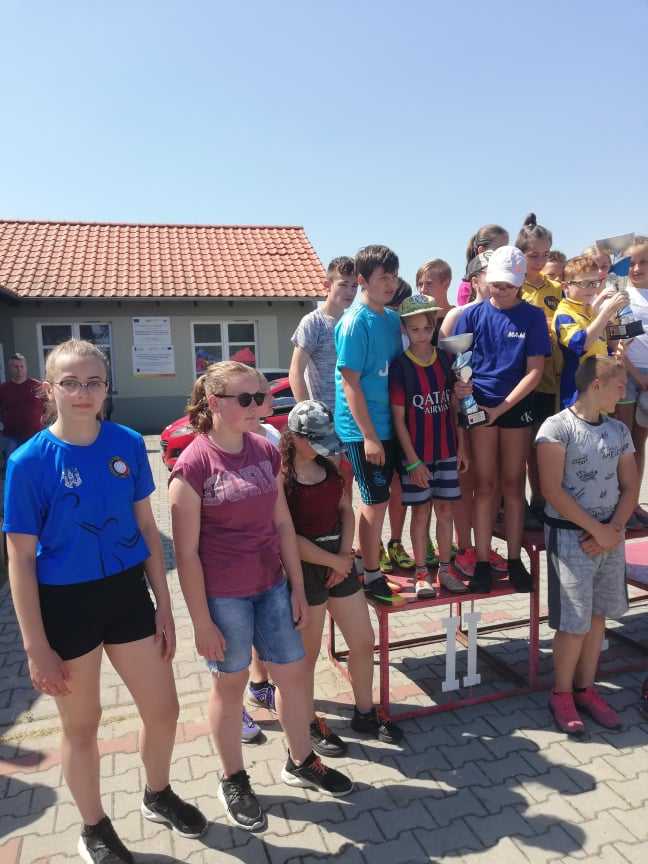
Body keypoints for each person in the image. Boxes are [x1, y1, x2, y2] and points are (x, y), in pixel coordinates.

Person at [3, 339, 206, 864]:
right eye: (70, 382)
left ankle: (157, 793)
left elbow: (147, 527)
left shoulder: (127, 443)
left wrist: (164, 604)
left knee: (164, 709)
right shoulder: (28, 462)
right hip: (65, 605)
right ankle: (94, 826)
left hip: (126, 595)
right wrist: (35, 646)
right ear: (50, 389)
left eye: (93, 381)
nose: (83, 392)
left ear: (107, 387)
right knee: (83, 724)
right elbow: (19, 558)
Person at [169, 361, 352, 832]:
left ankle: (301, 761)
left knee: (293, 677)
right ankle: (233, 778)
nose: (260, 406)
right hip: (224, 598)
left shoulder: (265, 450)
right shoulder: (193, 465)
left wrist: (295, 586)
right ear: (214, 403)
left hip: (271, 587)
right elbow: (185, 555)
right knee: (230, 688)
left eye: (262, 397)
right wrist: (201, 622)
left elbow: (283, 524)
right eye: (247, 399)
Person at [281, 400, 403, 754]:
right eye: (316, 441)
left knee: (363, 641)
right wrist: (333, 561)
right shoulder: (282, 477)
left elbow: (345, 509)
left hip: (339, 560)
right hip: (305, 568)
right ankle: (307, 721)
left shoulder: (330, 464)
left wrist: (345, 555)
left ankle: (365, 711)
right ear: (296, 437)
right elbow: (286, 536)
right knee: (306, 656)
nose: (325, 448)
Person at [536, 356, 636, 735]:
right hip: (570, 537)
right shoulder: (556, 428)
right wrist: (597, 530)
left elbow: (631, 485)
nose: (623, 394)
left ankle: (586, 689)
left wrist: (614, 529)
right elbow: (551, 491)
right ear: (596, 385)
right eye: (619, 386)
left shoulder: (618, 430)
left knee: (597, 618)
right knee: (573, 622)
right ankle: (561, 694)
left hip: (609, 536)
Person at [455, 246, 551, 593]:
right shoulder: (471, 315)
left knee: (513, 484)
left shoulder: (533, 316)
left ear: (521, 283)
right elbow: (459, 365)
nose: (501, 290)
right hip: (479, 406)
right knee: (485, 486)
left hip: (515, 407)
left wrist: (503, 407)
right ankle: (482, 561)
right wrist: (460, 387)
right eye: (496, 284)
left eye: (508, 285)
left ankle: (513, 558)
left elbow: (535, 371)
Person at [334, 244, 405, 605]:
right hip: (362, 430)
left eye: (394, 276)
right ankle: (371, 575)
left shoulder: (392, 319)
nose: (390, 284)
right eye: (383, 277)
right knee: (374, 502)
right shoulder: (354, 323)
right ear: (362, 280)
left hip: (391, 425)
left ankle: (366, 561)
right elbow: (350, 384)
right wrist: (369, 437)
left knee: (387, 498)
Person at [389, 295, 468, 597]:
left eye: (426, 328)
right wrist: (412, 461)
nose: (421, 335)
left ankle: (445, 571)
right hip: (417, 457)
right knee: (420, 513)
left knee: (445, 511)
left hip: (446, 450)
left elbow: (455, 407)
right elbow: (399, 420)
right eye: (414, 329)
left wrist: (461, 447)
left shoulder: (447, 360)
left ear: (434, 326)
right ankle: (422, 573)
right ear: (404, 329)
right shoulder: (400, 367)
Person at [440, 253, 508, 581]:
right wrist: (457, 396)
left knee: (489, 483)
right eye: (488, 271)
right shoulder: (459, 314)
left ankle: (483, 546)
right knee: (465, 482)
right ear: (475, 279)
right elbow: (445, 364)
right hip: (462, 411)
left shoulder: (506, 312)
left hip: (494, 412)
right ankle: (464, 547)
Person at [516, 213, 563, 527]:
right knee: (522, 447)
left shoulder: (556, 289)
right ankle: (519, 502)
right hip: (520, 377)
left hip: (549, 379)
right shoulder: (513, 287)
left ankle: (543, 499)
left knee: (544, 443)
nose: (541, 261)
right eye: (534, 255)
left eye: (545, 254)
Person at [554, 254, 626, 410]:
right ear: (565, 286)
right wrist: (607, 311)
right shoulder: (564, 314)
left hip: (599, 387)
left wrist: (618, 349)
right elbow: (580, 344)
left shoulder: (589, 310)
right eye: (584, 283)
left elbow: (603, 343)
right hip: (578, 393)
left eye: (594, 283)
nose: (591, 289)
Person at [289, 256, 357, 410]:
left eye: (354, 286)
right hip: (324, 417)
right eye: (343, 284)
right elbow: (295, 372)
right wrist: (309, 413)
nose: (350, 291)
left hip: (350, 417)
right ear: (328, 285)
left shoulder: (353, 323)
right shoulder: (313, 322)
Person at [614, 238, 648, 526]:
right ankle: (621, 505)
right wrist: (638, 377)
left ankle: (634, 503)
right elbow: (617, 344)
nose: (636, 268)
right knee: (625, 443)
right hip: (627, 376)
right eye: (631, 263)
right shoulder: (621, 297)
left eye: (643, 262)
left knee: (640, 441)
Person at [0, 353, 44, 458]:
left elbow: (48, 407)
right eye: (16, 367)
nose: (19, 370)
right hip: (11, 437)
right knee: (13, 463)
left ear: (26, 367)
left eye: (21, 366)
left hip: (35, 435)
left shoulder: (37, 386)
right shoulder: (3, 389)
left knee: (36, 462)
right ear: (10, 368)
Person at [456, 224, 509, 306]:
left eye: (506, 250)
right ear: (482, 251)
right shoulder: (466, 287)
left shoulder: (509, 280)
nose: (505, 254)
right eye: (499, 250)